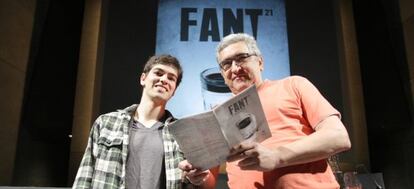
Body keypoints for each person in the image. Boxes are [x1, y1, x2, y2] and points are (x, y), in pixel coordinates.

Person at [181, 33, 352, 189]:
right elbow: (209, 181)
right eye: (226, 64)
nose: (234, 68)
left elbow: (338, 137)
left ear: (260, 62)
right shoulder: (218, 116)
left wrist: (278, 156)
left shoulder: (293, 85)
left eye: (241, 58)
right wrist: (198, 177)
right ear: (223, 75)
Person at [73, 54, 215, 189]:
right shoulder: (106, 123)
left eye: (171, 78)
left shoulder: (183, 133)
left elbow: (203, 182)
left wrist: (197, 178)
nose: (164, 79)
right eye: (158, 73)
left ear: (174, 91)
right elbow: (85, 175)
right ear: (143, 79)